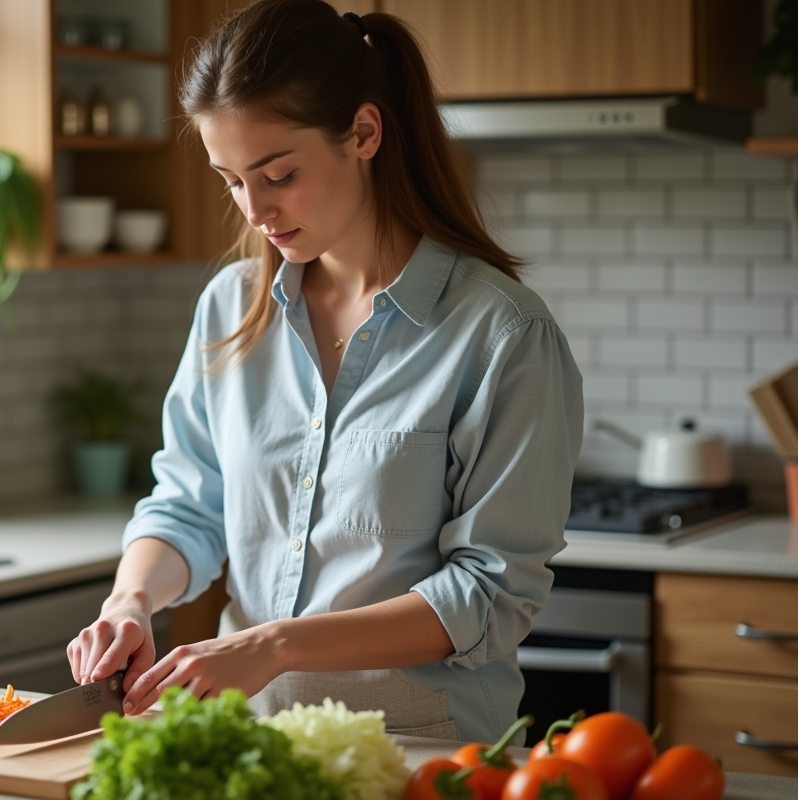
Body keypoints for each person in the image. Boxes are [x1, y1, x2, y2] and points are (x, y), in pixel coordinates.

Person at [67, 0, 583, 745]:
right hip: (251, 748)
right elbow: (188, 505)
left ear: (364, 133)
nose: (255, 210)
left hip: (422, 754)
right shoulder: (229, 309)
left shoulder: (501, 334)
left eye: (277, 173)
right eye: (231, 181)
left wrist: (276, 644)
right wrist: (131, 600)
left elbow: (489, 595)